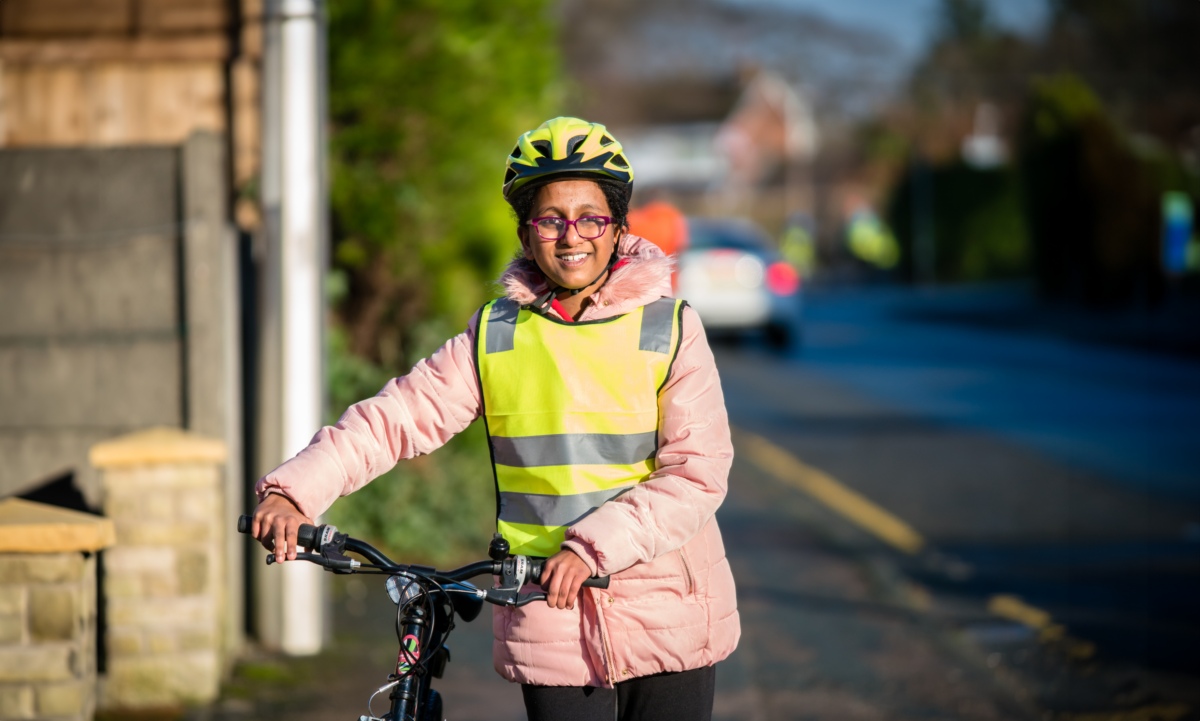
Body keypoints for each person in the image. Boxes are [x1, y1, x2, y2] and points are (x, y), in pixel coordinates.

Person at [249, 117, 740, 721]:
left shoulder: (670, 327)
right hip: (549, 613)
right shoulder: (496, 335)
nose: (571, 236)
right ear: (525, 232)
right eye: (550, 219)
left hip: (668, 610)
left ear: (617, 228)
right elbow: (397, 417)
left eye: (590, 217)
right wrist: (295, 492)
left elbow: (698, 474)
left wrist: (592, 549)